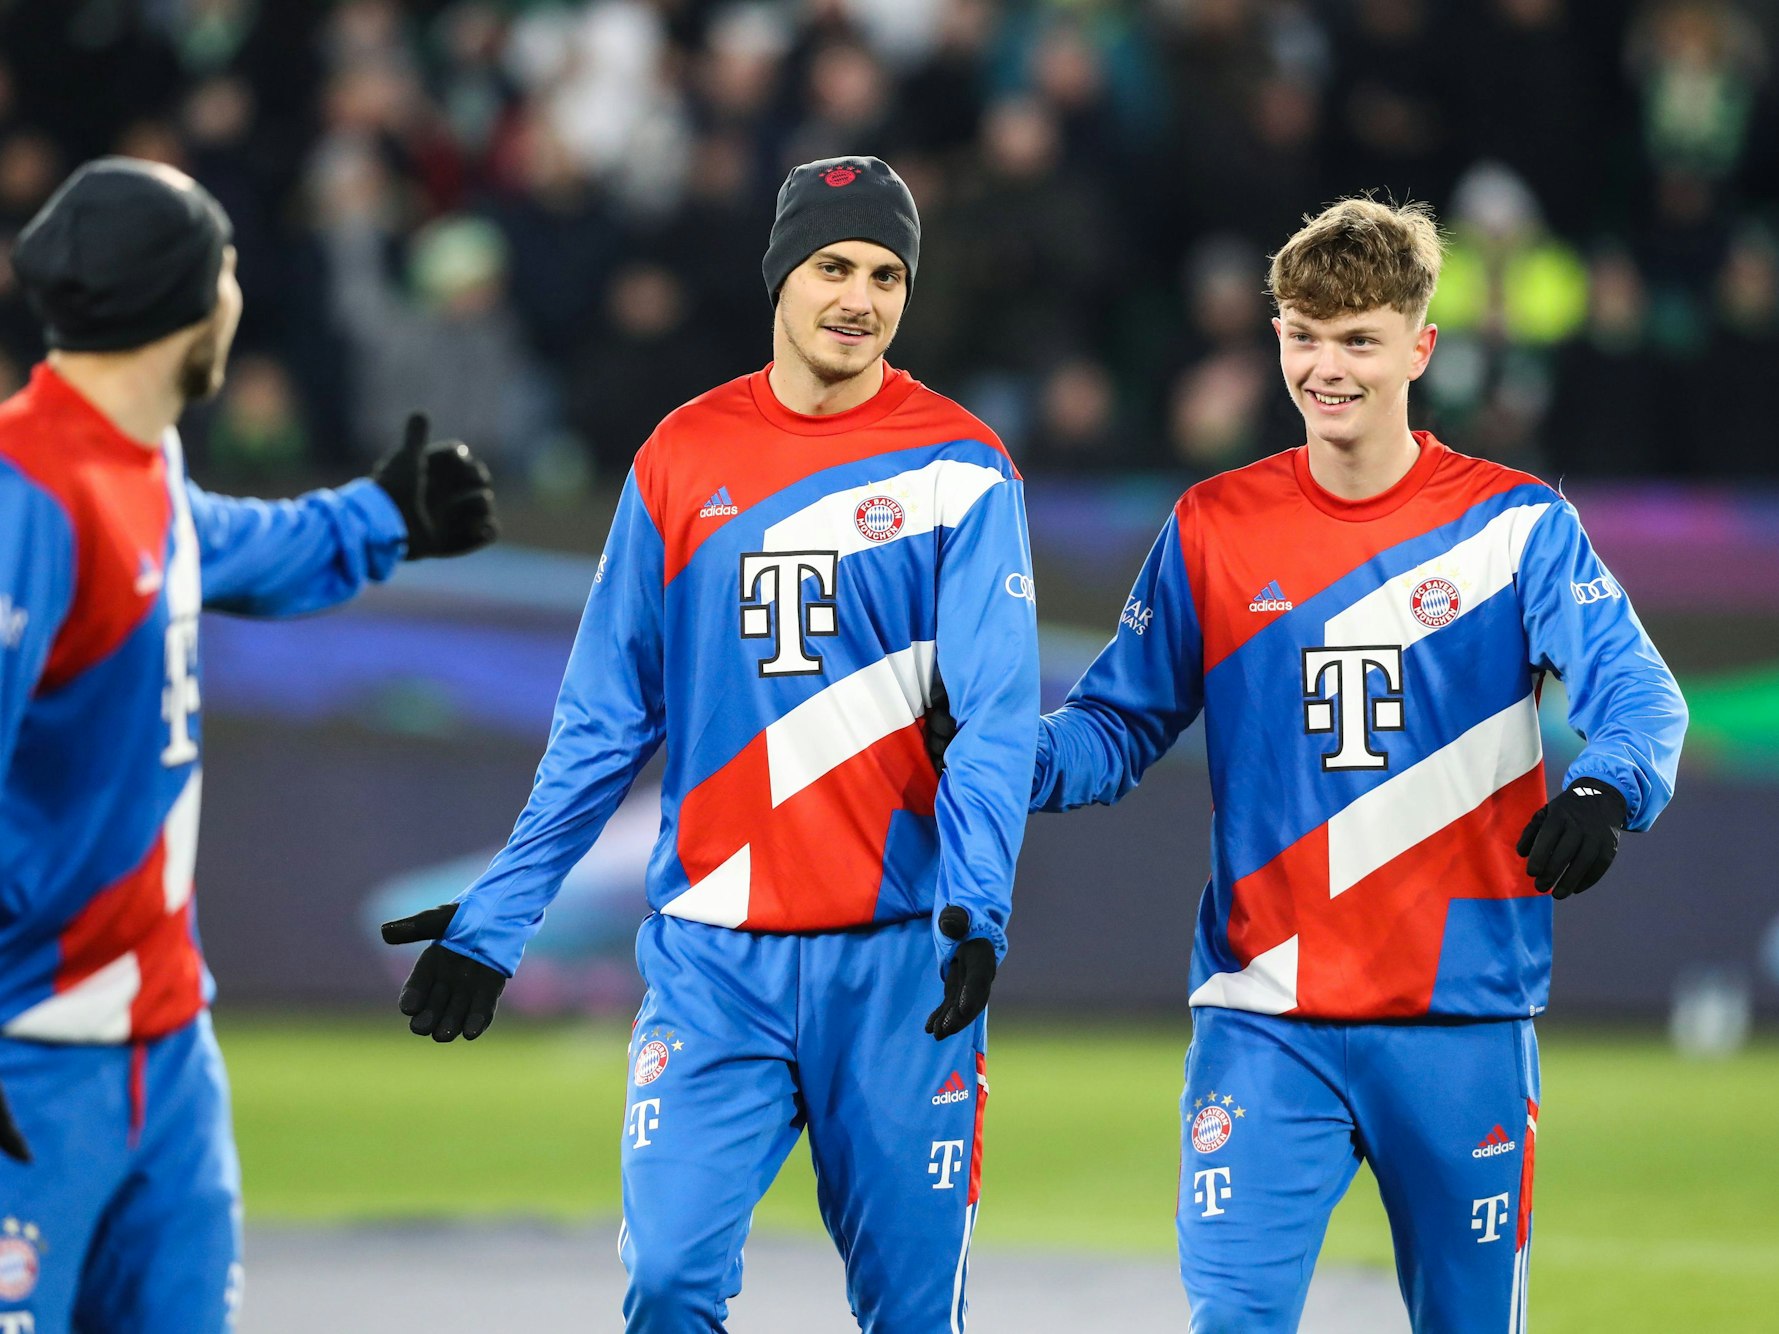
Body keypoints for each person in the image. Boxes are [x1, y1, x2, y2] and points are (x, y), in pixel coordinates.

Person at [381, 156, 1038, 1332]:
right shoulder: (679, 456)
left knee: (912, 1311)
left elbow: (993, 718)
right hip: (713, 964)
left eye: (887, 273)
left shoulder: (965, 466)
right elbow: (601, 721)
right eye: (835, 265)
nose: (862, 296)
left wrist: (977, 909)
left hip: (897, 963)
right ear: (781, 274)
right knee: (671, 1281)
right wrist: (496, 918)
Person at [1015, 198, 1684, 1332]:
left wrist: (1603, 783)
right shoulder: (1212, 526)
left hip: (1462, 1015)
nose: (1327, 367)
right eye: (1302, 335)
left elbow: (1638, 691)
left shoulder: (1516, 526)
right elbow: (1113, 728)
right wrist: (992, 755)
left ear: (1421, 346)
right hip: (1264, 1013)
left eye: (1359, 339)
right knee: (1233, 1319)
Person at [0, 157, 498, 1333]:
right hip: (27, 1060)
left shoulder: (134, 465)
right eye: (223, 265)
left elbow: (212, 546)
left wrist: (379, 519)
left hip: (166, 1053)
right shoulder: (26, 494)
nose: (237, 290)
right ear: (184, 301)